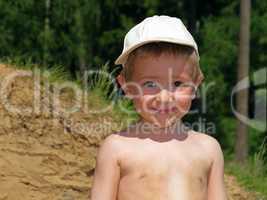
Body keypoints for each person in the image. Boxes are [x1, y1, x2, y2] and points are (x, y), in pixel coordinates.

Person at [91, 15, 227, 200]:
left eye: (178, 83)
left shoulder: (209, 149)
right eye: (149, 84)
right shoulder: (116, 148)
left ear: (197, 83)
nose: (164, 97)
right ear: (126, 85)